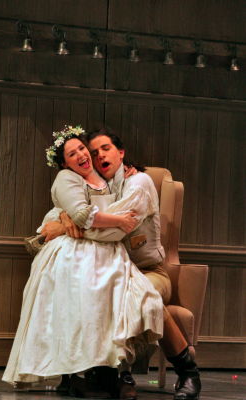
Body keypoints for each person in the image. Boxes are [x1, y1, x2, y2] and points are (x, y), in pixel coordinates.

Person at [2, 125, 163, 397]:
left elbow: (95, 218)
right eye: (73, 153)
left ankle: (110, 371)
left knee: (112, 289)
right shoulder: (67, 178)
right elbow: (79, 213)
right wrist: (67, 221)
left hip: (109, 249)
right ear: (63, 163)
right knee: (81, 286)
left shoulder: (116, 179)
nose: (83, 155)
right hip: (77, 250)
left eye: (82, 149)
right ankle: (77, 372)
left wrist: (66, 224)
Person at [42, 128, 201, 400]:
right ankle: (101, 375)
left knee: (141, 295)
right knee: (89, 289)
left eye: (105, 148)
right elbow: (62, 212)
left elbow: (113, 229)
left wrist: (70, 226)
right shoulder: (98, 187)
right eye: (93, 152)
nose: (98, 155)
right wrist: (64, 219)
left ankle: (188, 372)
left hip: (149, 271)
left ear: (121, 152)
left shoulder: (138, 183)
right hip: (112, 269)